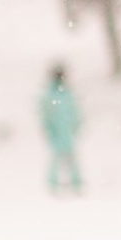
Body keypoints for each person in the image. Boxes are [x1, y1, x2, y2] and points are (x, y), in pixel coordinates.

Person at [41, 62, 84, 195]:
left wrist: (76, 126)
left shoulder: (66, 93)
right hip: (58, 131)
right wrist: (49, 130)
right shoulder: (52, 95)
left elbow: (74, 112)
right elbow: (46, 115)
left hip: (66, 131)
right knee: (57, 158)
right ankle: (53, 184)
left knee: (70, 158)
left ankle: (76, 183)